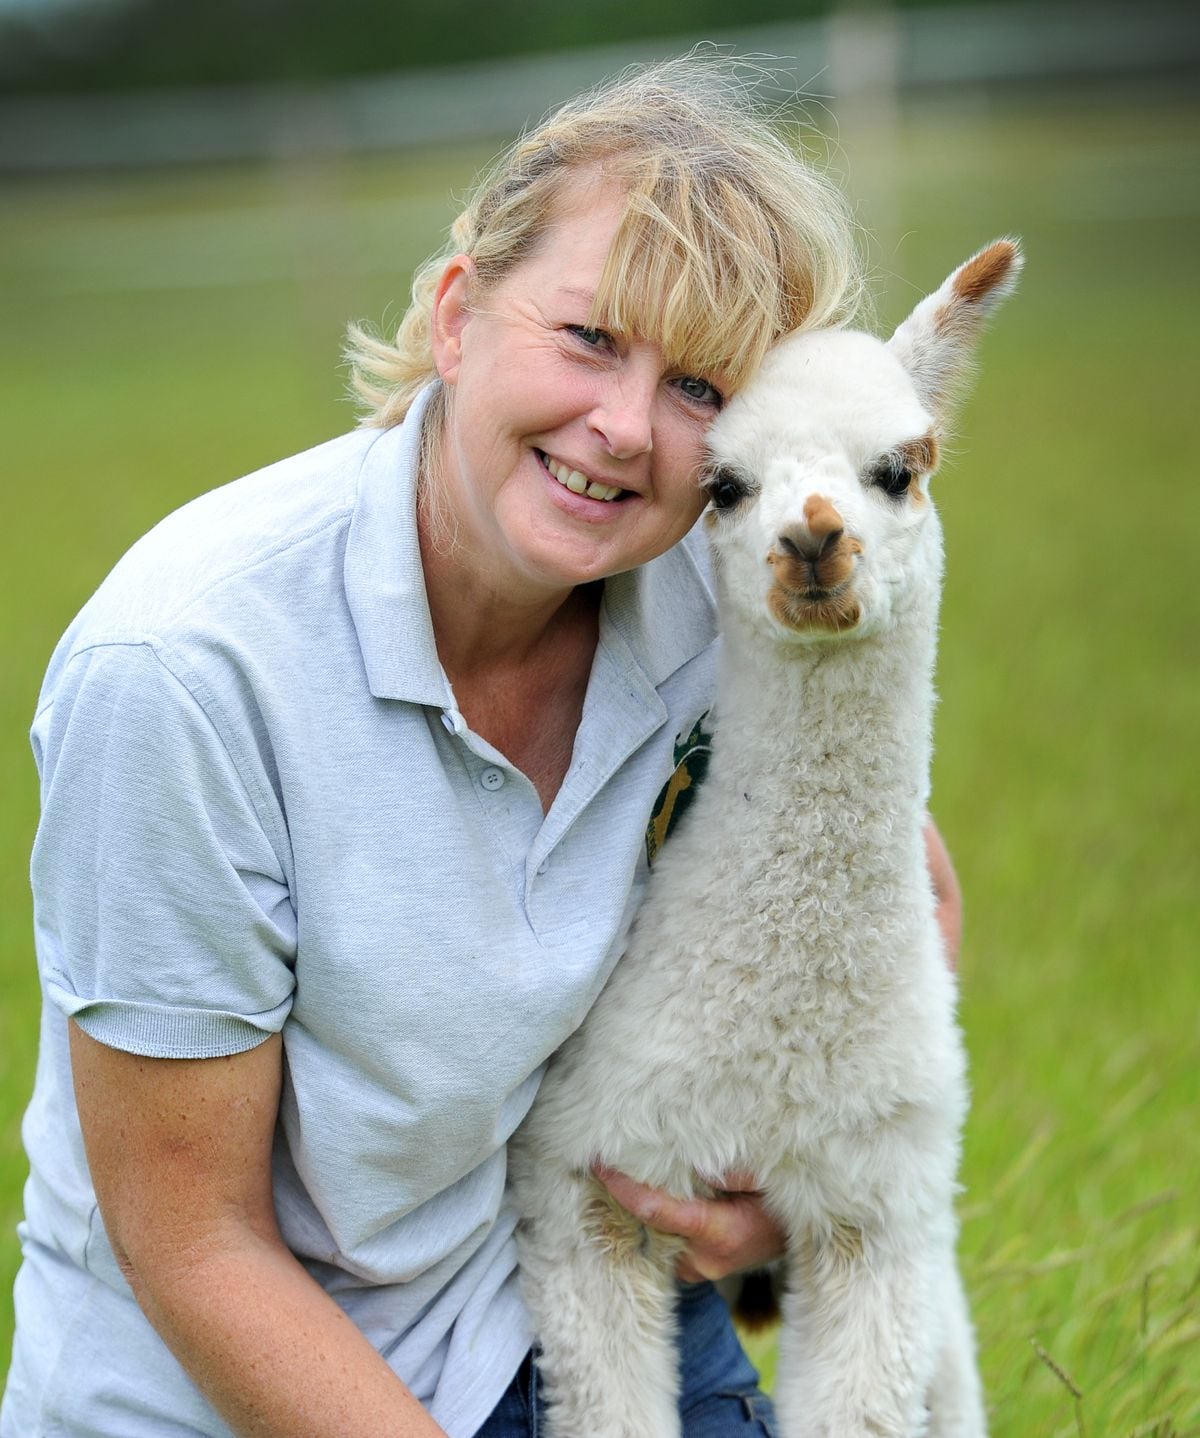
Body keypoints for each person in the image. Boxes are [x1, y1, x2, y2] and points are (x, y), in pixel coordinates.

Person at [2, 57, 960, 1438]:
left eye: (697, 383)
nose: (625, 427)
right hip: (222, 1385)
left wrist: (778, 1197)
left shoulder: (715, 589)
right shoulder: (186, 668)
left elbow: (898, 886)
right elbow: (191, 1245)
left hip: (556, 1283)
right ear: (457, 316)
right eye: (588, 337)